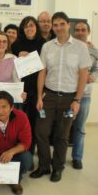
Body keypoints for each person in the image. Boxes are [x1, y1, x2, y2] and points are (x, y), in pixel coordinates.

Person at [30, 12, 91, 182]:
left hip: (69, 98)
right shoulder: (47, 46)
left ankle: (58, 167)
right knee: (41, 131)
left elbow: (83, 75)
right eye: (55, 25)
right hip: (48, 96)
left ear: (67, 25)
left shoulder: (80, 47)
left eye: (61, 24)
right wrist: (40, 97)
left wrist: (77, 100)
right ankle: (43, 166)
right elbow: (43, 71)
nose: (58, 27)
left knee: (62, 135)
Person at [11, 16, 46, 163]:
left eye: (31, 25)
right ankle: (15, 152)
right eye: (26, 26)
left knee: (32, 124)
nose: (29, 28)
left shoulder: (44, 44)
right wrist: (17, 57)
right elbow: (10, 66)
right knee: (17, 122)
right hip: (19, 89)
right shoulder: (16, 44)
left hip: (37, 89)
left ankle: (29, 155)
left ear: (36, 27)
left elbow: (46, 68)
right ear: (22, 29)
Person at [71, 20, 98, 169]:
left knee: (80, 128)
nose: (80, 32)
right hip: (69, 93)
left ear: (88, 32)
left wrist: (93, 76)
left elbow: (96, 68)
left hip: (85, 95)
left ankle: (77, 157)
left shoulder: (94, 51)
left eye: (83, 30)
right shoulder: (69, 48)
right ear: (74, 32)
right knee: (63, 127)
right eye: (78, 30)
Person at [0, 31, 26, 106]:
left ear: (7, 44)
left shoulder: (13, 59)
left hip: (8, 100)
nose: (1, 44)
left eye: (4, 41)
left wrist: (20, 93)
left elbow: (17, 81)